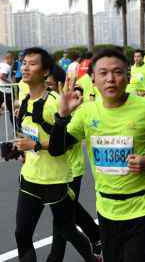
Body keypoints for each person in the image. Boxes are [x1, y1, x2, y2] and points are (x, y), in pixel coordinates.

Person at [48, 48, 145, 262]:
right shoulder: (86, 112)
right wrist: (62, 117)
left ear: (128, 76)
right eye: (103, 73)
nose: (110, 79)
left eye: (117, 72)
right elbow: (57, 149)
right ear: (92, 79)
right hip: (106, 210)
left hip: (144, 208)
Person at [13, 47, 99, 262]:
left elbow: (63, 146)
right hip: (30, 177)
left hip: (56, 180)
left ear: (45, 72)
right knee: (21, 234)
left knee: (67, 230)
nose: (25, 67)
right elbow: (26, 134)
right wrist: (17, 149)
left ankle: (94, 258)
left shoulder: (54, 102)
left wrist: (35, 145)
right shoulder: (23, 100)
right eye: (24, 62)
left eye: (32, 63)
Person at [45, 71, 102, 260]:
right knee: (68, 212)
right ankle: (96, 236)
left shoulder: (76, 107)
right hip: (52, 170)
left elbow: (65, 141)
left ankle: (57, 257)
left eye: (50, 84)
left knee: (62, 218)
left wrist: (37, 145)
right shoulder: (45, 104)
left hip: (71, 169)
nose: (48, 87)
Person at [0, 51, 15, 123]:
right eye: (13, 59)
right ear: (9, 59)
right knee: (12, 110)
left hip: (1, 88)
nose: (13, 61)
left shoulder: (1, 65)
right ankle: (16, 128)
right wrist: (11, 83)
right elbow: (2, 76)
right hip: (6, 90)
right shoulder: (7, 67)